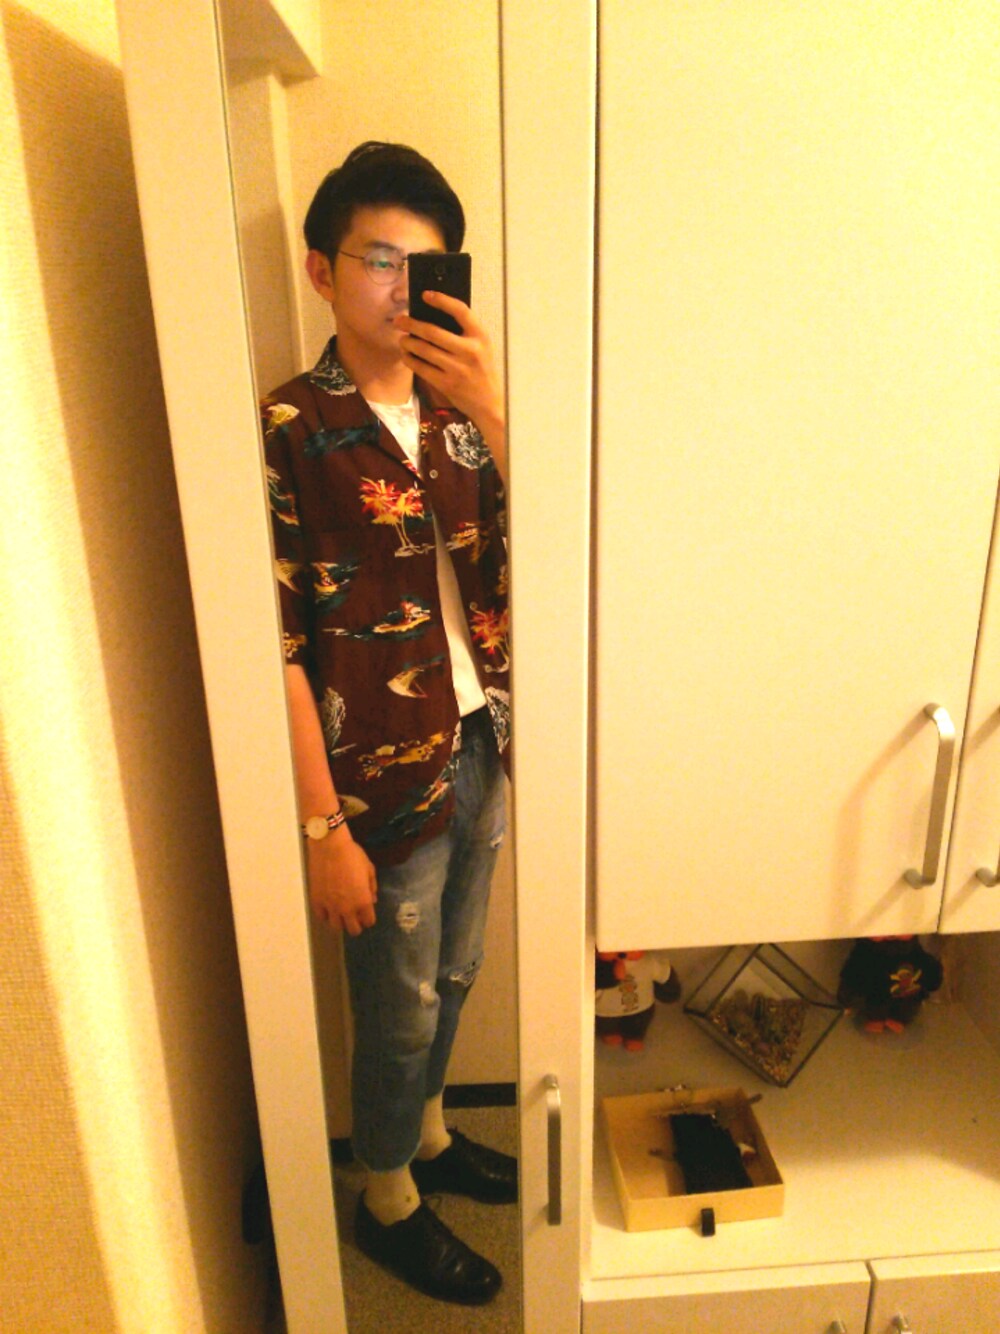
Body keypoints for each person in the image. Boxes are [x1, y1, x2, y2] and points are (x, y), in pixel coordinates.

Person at [261, 142, 514, 1306]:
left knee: (455, 971)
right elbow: (277, 640)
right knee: (397, 1006)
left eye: (424, 265)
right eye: (377, 259)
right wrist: (323, 827)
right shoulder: (291, 425)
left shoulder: (466, 414)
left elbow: (554, 545)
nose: (402, 288)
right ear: (321, 270)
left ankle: (429, 1137)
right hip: (373, 773)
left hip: (481, 739)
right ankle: (388, 1198)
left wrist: (494, 407)